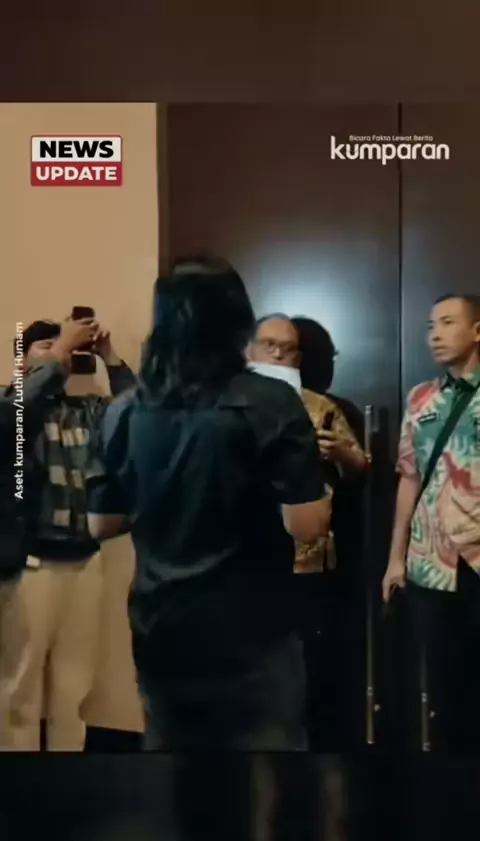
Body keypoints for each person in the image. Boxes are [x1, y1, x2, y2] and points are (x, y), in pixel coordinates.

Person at [86, 257, 330, 751]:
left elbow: (102, 523)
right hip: (252, 632)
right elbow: (307, 524)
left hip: (161, 625)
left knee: (174, 769)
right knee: (264, 771)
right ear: (238, 322)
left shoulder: (125, 409)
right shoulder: (272, 401)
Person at [0, 317, 135, 750]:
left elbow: (138, 410)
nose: (59, 354)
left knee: (73, 689)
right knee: (20, 690)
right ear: (21, 361)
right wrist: (59, 354)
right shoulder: (11, 404)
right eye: (45, 346)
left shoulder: (89, 409)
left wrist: (108, 356)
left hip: (86, 560)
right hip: (30, 565)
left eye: (64, 348)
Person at [382, 293, 480, 751]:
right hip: (431, 564)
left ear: (477, 331)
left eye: (447, 323)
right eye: (430, 326)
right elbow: (409, 477)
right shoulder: (421, 397)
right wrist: (395, 559)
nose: (435, 335)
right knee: (444, 688)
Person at [249, 313, 367, 574]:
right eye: (269, 344)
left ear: (298, 358)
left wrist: (341, 453)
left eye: (287, 348)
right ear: (250, 350)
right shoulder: (227, 403)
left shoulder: (321, 406)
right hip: (243, 549)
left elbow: (361, 465)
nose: (278, 354)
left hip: (307, 552)